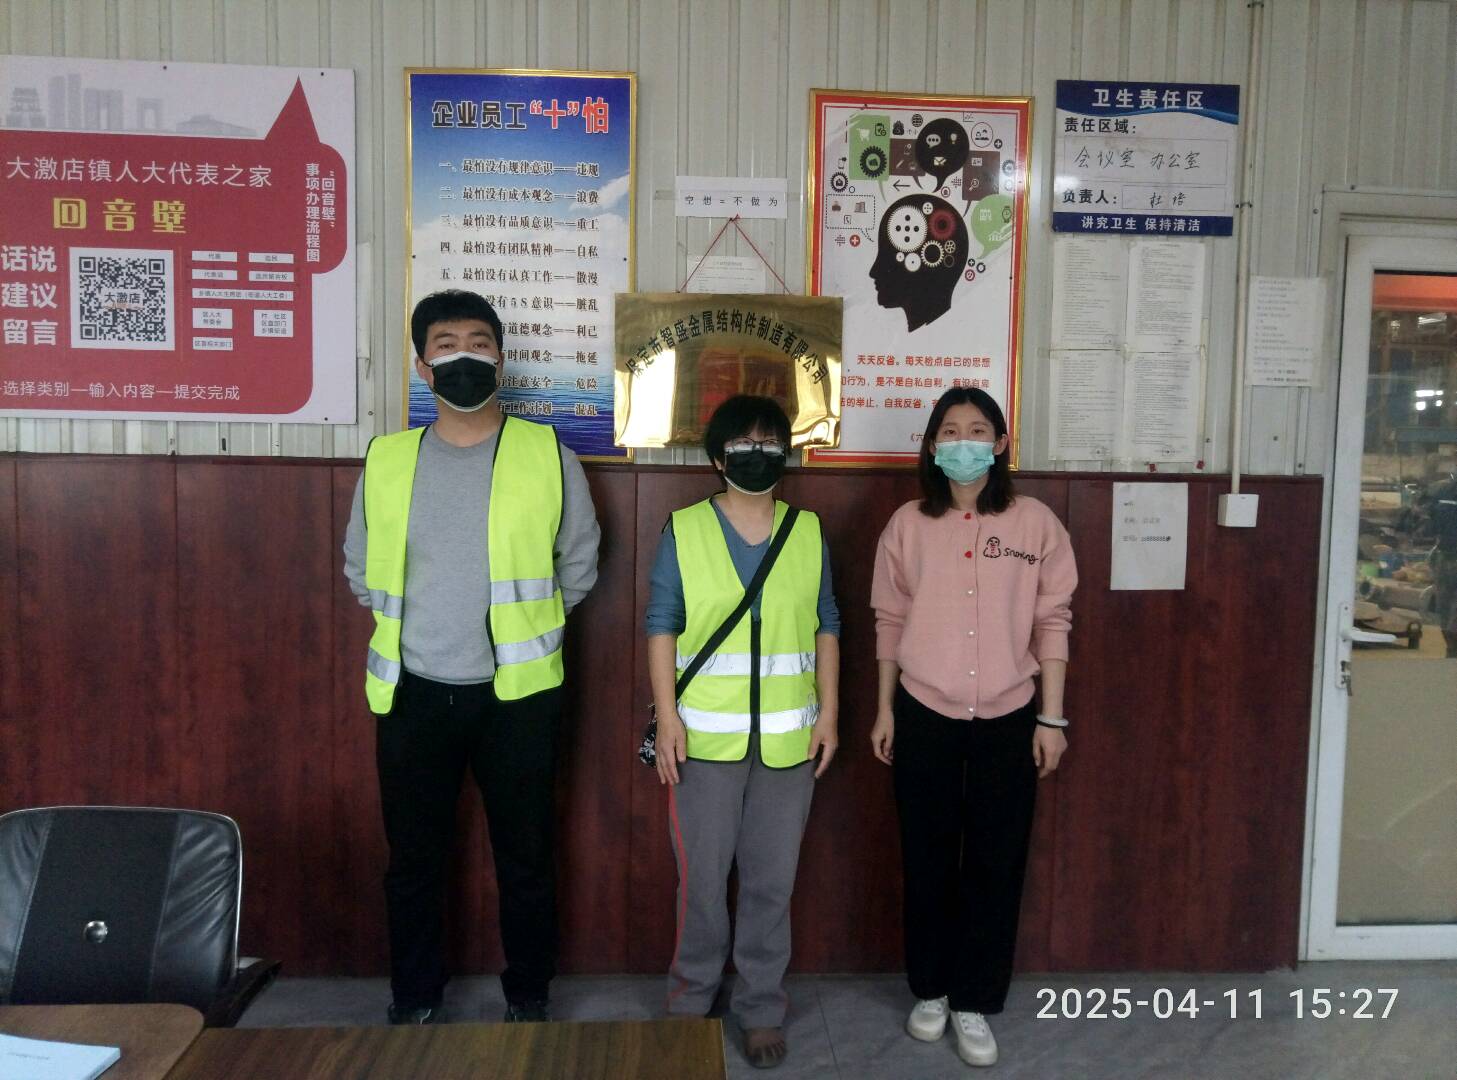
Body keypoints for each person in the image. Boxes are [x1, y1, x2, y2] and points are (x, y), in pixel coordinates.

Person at [342, 289, 600, 1025]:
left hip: (517, 695)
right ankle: (414, 998)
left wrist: (531, 630)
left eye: (479, 343)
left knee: (526, 857)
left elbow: (579, 563)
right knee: (412, 861)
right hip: (413, 690)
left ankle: (529, 995)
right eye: (446, 345)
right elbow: (359, 564)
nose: (464, 356)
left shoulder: (548, 455)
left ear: (500, 360)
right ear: (423, 367)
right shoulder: (387, 459)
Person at [869, 387, 1077, 1069]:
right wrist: (885, 709)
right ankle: (930, 990)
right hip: (923, 711)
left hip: (1009, 717)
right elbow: (889, 621)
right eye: (951, 430)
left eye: (978, 429)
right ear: (932, 446)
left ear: (1000, 443)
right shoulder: (906, 525)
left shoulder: (1035, 524)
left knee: (996, 862)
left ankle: (974, 1000)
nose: (964, 441)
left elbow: (1052, 622)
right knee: (926, 858)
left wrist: (1051, 717)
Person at [646, 395, 840, 1070]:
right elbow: (662, 623)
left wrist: (829, 714)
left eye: (769, 443)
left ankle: (760, 1007)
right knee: (701, 885)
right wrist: (666, 717)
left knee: (769, 884)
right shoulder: (685, 528)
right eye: (742, 444)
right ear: (716, 458)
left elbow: (827, 622)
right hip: (702, 742)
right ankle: (689, 1003)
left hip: (789, 742)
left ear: (786, 453)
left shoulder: (807, 531)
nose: (757, 454)